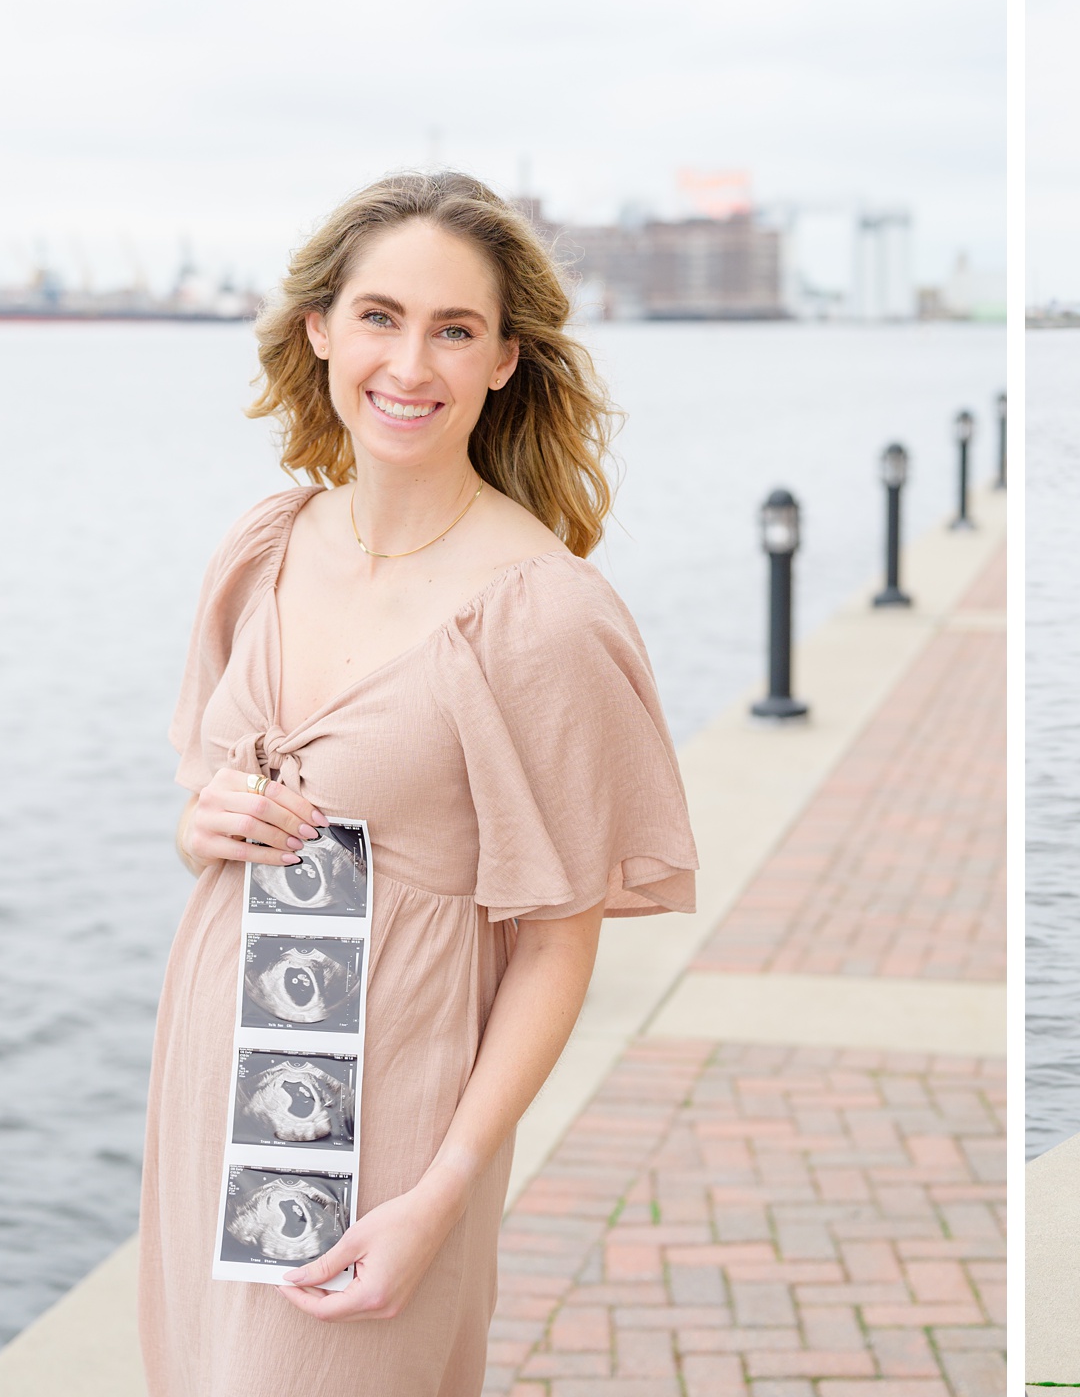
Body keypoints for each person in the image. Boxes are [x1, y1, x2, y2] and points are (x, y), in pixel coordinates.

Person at [139, 172, 698, 1394]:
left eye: (456, 329)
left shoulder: (542, 615)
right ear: (320, 331)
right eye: (381, 316)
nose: (412, 362)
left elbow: (558, 942)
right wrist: (206, 822)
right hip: (214, 1079)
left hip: (390, 1113)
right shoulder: (264, 546)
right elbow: (202, 827)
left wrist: (443, 1191)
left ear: (506, 360)